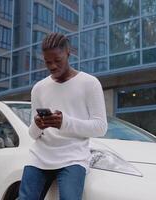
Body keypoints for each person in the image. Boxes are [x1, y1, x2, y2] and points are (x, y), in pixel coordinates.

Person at [19, 32, 108, 200]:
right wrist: (38, 125)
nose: (52, 66)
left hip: (73, 157)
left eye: (57, 60)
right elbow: (32, 134)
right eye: (47, 62)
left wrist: (65, 123)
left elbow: (100, 127)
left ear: (68, 53)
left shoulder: (89, 83)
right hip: (40, 156)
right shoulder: (39, 88)